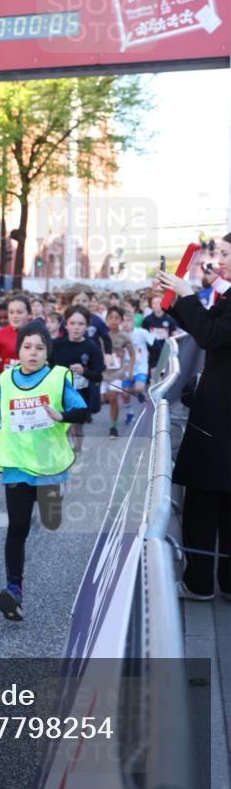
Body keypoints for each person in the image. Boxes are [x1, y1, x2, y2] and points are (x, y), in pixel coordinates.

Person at [0, 322, 88, 622]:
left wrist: (62, 415)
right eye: (27, 347)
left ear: (48, 353)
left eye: (40, 348)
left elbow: (81, 411)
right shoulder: (6, 378)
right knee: (17, 527)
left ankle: (50, 503)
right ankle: (14, 589)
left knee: (50, 519)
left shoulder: (58, 378)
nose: (33, 353)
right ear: (18, 351)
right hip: (17, 463)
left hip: (49, 465)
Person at [158, 236, 231, 601]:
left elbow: (209, 335)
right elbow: (207, 322)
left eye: (227, 255)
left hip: (220, 419)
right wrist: (175, 301)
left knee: (202, 499)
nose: (220, 262)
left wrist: (186, 294)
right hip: (219, 416)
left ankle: (200, 583)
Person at [52, 305, 104, 452]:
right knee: (62, 426)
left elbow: (98, 375)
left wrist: (84, 371)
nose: (76, 327)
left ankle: (78, 448)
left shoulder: (92, 347)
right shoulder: (56, 345)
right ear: (66, 324)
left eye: (81, 324)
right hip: (59, 392)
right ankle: (65, 452)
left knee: (77, 427)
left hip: (80, 394)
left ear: (87, 326)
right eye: (72, 323)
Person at [102, 307, 135, 438]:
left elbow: (132, 354)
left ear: (120, 320)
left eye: (117, 318)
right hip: (102, 373)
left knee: (113, 396)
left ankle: (113, 427)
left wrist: (130, 368)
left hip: (117, 372)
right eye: (111, 318)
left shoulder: (125, 336)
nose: (114, 321)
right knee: (102, 399)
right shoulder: (102, 335)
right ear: (106, 319)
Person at [0, 294, 31, 375]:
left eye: (19, 312)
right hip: (5, 384)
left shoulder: (38, 335)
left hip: (31, 383)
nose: (15, 316)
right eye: (11, 312)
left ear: (29, 314)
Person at [120, 313, 154, 425]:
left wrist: (153, 361)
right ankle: (130, 413)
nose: (126, 323)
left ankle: (141, 393)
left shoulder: (141, 333)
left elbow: (155, 344)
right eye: (123, 320)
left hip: (140, 367)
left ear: (133, 322)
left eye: (128, 320)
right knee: (125, 394)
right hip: (125, 368)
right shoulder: (118, 335)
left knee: (139, 388)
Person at [141, 293, 177, 374]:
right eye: (154, 303)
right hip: (152, 352)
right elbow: (143, 336)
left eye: (159, 302)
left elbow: (175, 335)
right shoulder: (147, 320)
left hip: (166, 351)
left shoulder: (170, 319)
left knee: (165, 374)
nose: (157, 305)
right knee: (154, 376)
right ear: (151, 305)